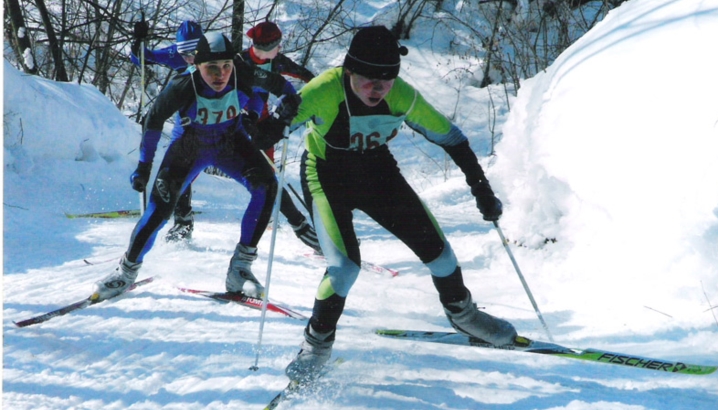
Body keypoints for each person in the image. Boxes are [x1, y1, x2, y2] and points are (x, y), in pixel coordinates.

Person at [282, 26, 518, 381]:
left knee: (441, 255)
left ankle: (464, 316)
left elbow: (452, 138)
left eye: (386, 81)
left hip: (378, 175)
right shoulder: (324, 91)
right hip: (327, 177)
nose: (376, 89)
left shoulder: (403, 97)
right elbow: (270, 128)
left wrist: (481, 189)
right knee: (345, 269)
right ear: (349, 72)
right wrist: (271, 123)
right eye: (367, 80)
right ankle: (316, 344)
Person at [95, 32, 302, 301]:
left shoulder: (243, 72)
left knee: (267, 187)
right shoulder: (184, 83)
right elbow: (154, 121)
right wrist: (144, 166)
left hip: (231, 143)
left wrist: (287, 105)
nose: (220, 75)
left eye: (226, 66)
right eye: (211, 68)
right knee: (160, 209)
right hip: (190, 148)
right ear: (197, 65)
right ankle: (125, 272)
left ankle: (240, 269)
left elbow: (284, 88)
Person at [239, 21, 320, 253]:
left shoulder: (276, 61)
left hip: (265, 127)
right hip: (239, 125)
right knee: (263, 180)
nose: (280, 48)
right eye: (277, 44)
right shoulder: (240, 62)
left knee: (270, 178)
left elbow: (306, 76)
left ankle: (301, 228)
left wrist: (294, 103)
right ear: (268, 45)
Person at [130, 20, 204, 242]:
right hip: (182, 122)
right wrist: (138, 41)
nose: (189, 57)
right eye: (184, 52)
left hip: (204, 120)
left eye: (195, 52)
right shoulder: (174, 55)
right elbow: (142, 58)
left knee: (186, 174)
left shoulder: (213, 56)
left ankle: (183, 219)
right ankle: (176, 220)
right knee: (175, 171)